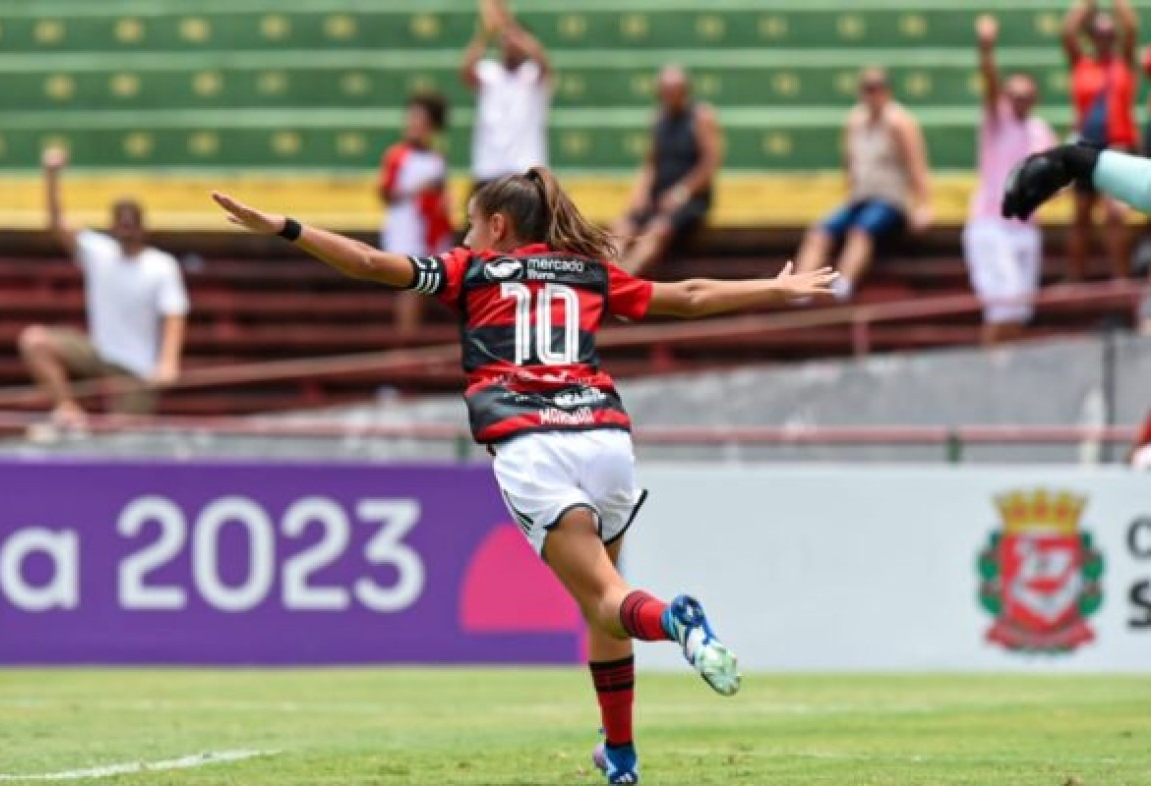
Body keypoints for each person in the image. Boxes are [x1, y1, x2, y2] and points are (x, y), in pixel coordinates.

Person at [211, 168, 836, 784]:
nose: (466, 236)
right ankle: (620, 755)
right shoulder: (586, 273)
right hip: (605, 437)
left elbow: (372, 264)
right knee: (602, 603)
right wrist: (774, 289)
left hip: (533, 444)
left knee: (607, 602)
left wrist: (287, 228)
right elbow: (690, 296)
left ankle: (677, 621)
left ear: (499, 226)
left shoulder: (469, 270)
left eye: (472, 225)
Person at [18, 148, 189, 430]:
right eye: (120, 221)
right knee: (35, 341)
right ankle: (67, 409)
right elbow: (57, 222)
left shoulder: (161, 265)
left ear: (143, 226)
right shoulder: (100, 252)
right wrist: (51, 175)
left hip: (137, 366)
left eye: (131, 222)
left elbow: (174, 315)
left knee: (120, 436)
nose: (126, 228)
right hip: (99, 352)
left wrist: (168, 363)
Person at [794, 66, 932, 301]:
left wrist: (924, 205)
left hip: (890, 199)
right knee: (819, 231)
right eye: (867, 89)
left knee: (861, 231)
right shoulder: (855, 119)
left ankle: (844, 283)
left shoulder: (899, 122)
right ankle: (799, 287)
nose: (871, 94)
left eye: (876, 88)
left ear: (886, 92)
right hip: (860, 197)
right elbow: (849, 162)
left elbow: (916, 165)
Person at [964, 15, 1058, 345]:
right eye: (1013, 94)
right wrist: (986, 49)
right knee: (1002, 310)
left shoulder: (1040, 131)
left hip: (1026, 229)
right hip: (993, 225)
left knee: (1019, 312)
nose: (1018, 100)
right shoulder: (997, 121)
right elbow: (989, 82)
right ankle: (987, 372)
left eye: (1025, 95)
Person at [611, 65, 723, 276]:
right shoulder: (658, 119)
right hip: (659, 197)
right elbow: (651, 163)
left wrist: (682, 192)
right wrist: (641, 193)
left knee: (656, 231)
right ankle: (609, 275)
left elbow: (710, 163)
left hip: (690, 200)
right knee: (620, 227)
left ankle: (624, 279)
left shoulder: (701, 117)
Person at [1061, 0, 1138, 280]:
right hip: (1087, 145)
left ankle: (1121, 277)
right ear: (1091, 37)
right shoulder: (1082, 64)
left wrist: (1119, 4)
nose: (1104, 39)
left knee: (1115, 214)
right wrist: (1086, 5)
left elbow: (1131, 27)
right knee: (1081, 214)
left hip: (1117, 146)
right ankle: (1076, 278)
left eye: (1109, 34)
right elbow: (1067, 32)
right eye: (1099, 34)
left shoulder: (1123, 63)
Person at [379, 92, 454, 336]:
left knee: (424, 285)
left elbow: (443, 193)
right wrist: (418, 189)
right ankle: (405, 341)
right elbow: (386, 192)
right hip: (406, 226)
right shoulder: (397, 155)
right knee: (410, 285)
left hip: (430, 227)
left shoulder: (437, 157)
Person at [461, 0, 551, 190]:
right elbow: (466, 71)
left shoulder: (532, 74)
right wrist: (485, 33)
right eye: (506, 39)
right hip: (489, 170)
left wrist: (510, 26)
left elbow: (544, 62)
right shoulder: (488, 72)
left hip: (526, 171)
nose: (510, 44)